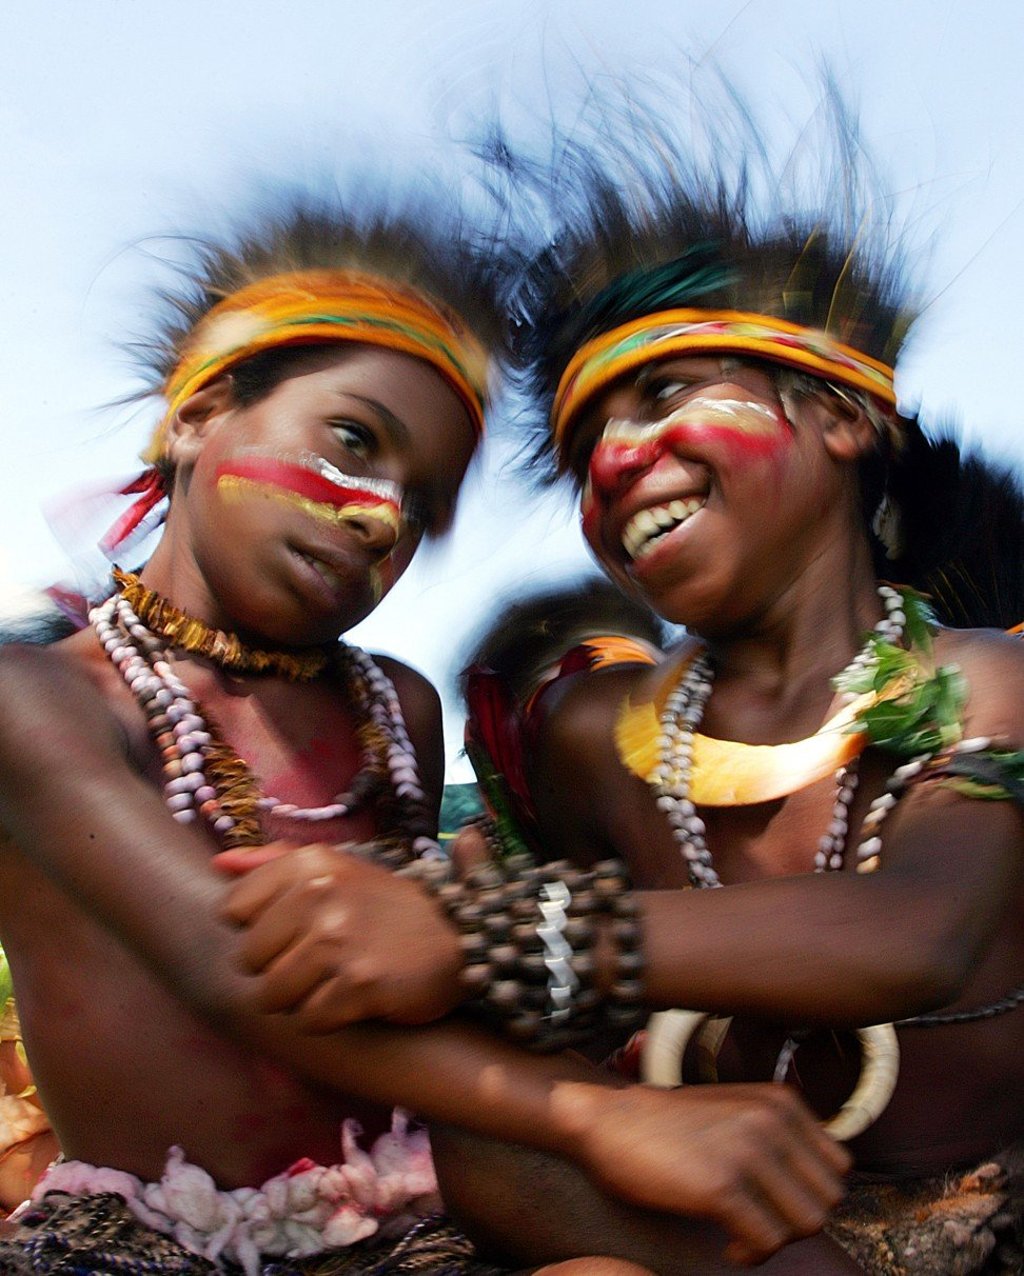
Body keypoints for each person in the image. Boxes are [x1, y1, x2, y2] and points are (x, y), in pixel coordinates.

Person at [214, 100, 1024, 1274]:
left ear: (842, 415)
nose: (613, 458)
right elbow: (581, 1018)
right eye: (588, 435)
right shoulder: (600, 738)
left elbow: (915, 931)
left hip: (978, 1207)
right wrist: (386, 918)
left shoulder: (986, 680)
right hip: (728, 1210)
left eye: (661, 395)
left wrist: (472, 929)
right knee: (498, 1151)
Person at [0, 188, 850, 1274]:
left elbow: (396, 981)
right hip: (159, 1243)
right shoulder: (45, 698)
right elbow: (238, 973)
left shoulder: (394, 706)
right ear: (197, 415)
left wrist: (493, 953)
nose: (378, 513)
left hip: (412, 1203)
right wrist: (599, 1116)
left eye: (422, 501)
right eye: (354, 441)